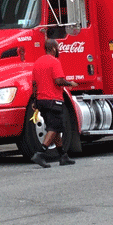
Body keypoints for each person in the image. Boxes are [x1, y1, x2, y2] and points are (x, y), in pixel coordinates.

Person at [30, 38, 77, 169]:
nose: (59, 50)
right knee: (54, 128)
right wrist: (70, 84)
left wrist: (34, 100)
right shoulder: (54, 62)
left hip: (41, 100)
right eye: (58, 48)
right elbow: (58, 81)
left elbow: (34, 84)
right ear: (54, 49)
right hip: (53, 100)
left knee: (54, 127)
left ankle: (63, 156)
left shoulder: (37, 62)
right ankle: (41, 153)